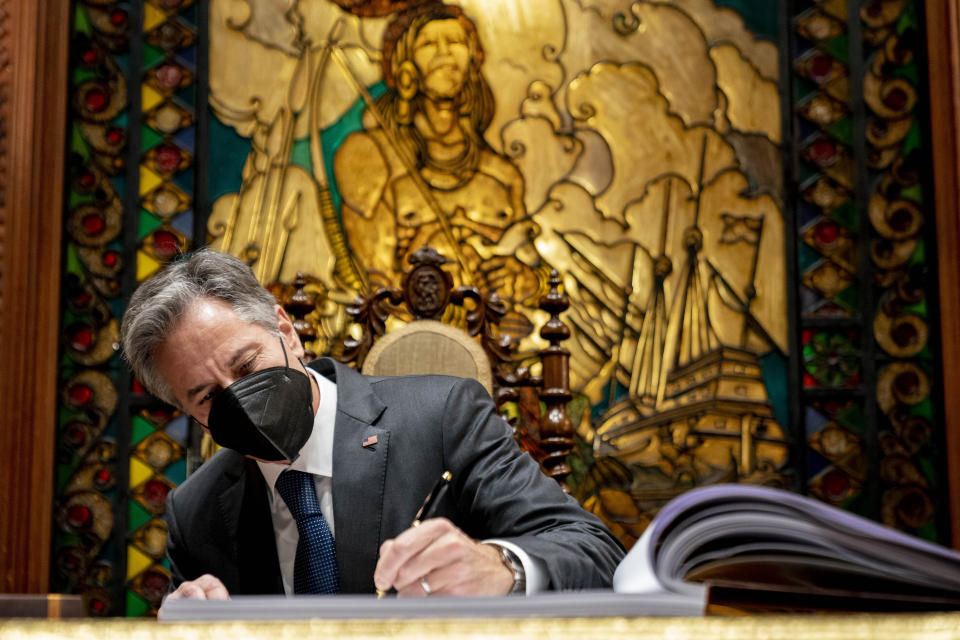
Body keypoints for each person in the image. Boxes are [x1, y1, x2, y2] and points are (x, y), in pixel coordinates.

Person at [120, 249, 623, 614]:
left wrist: (502, 568)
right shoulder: (196, 511)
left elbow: (594, 551)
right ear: (185, 410)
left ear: (287, 333)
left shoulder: (443, 415)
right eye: (207, 396)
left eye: (248, 366)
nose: (240, 399)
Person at [333, 2, 540, 301]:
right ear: (404, 64)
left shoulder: (504, 175)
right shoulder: (370, 156)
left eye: (455, 42)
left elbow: (535, 266)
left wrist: (523, 280)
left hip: (496, 337)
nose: (444, 53)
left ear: (473, 59)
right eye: (429, 43)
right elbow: (377, 287)